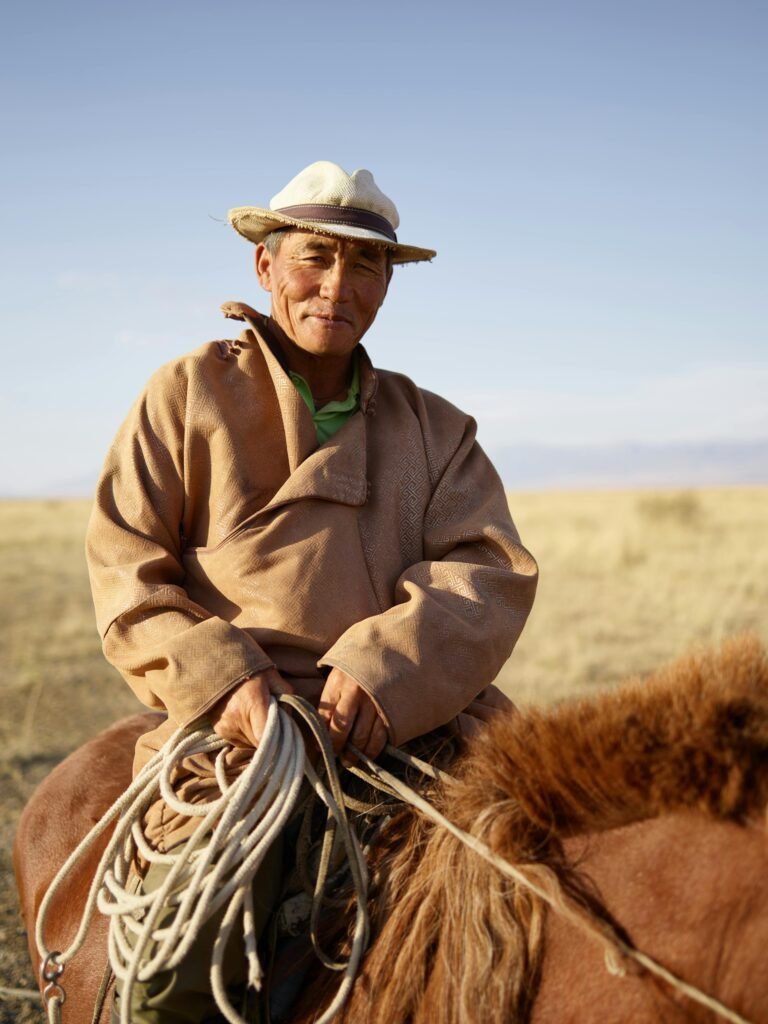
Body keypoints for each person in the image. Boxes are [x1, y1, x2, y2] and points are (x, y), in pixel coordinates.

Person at [86, 160, 538, 1021]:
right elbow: (126, 565)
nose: (338, 286)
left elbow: (487, 571)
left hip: (414, 720)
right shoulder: (186, 395)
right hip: (240, 735)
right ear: (266, 266)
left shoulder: (436, 429)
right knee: (182, 949)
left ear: (387, 284)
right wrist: (225, 678)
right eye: (314, 258)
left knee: (550, 892)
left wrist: (385, 670)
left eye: (365, 264)